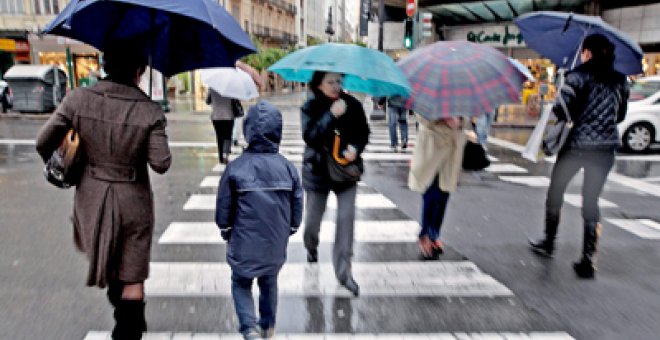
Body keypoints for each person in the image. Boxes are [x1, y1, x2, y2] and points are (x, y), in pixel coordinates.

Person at [35, 40, 171, 340]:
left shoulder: (78, 99)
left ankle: (123, 313)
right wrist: (155, 127)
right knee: (132, 273)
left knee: (109, 260)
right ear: (140, 69)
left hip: (92, 198)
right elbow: (161, 163)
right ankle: (129, 327)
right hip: (134, 202)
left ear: (106, 64)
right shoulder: (150, 110)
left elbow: (42, 142)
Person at [529, 33, 629, 279]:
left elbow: (563, 110)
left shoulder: (576, 76)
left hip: (576, 146)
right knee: (591, 201)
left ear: (587, 53)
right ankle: (588, 258)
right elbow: (620, 116)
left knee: (556, 192)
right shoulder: (620, 80)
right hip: (605, 148)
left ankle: (549, 242)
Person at [216, 100, 303, 340]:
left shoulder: (236, 168)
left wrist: (225, 229)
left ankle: (248, 327)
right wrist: (292, 227)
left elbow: (223, 207)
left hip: (243, 241)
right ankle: (267, 325)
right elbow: (297, 203)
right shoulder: (287, 168)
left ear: (247, 130)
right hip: (275, 242)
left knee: (241, 282)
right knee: (269, 281)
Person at [300, 71, 370, 297]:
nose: (335, 86)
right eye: (330, 82)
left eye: (338, 81)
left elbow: (363, 132)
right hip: (318, 171)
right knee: (312, 223)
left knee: (345, 219)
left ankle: (344, 273)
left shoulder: (352, 105)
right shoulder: (310, 107)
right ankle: (311, 247)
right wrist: (330, 115)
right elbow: (310, 136)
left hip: (345, 173)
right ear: (319, 85)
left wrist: (356, 149)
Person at [408, 115, 466, 259]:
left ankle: (434, 234)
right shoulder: (429, 93)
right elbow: (421, 115)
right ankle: (426, 234)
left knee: (444, 194)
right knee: (431, 194)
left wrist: (460, 121)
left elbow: (468, 119)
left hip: (452, 147)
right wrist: (444, 118)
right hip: (432, 146)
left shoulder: (460, 95)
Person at [206, 89, 240, 164]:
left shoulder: (212, 88)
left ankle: (220, 157)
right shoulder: (231, 90)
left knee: (219, 137)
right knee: (228, 136)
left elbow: (207, 101)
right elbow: (235, 102)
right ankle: (226, 155)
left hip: (216, 117)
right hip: (228, 116)